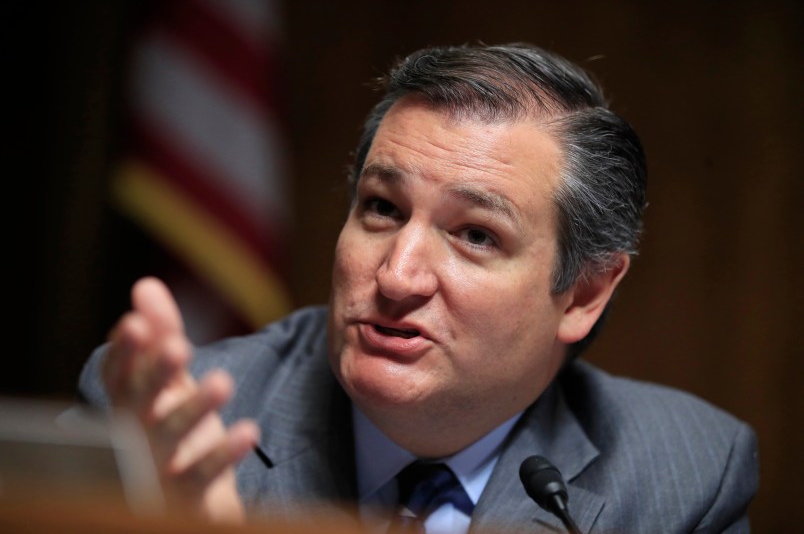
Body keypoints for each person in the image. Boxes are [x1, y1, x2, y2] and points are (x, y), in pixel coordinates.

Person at [76, 42, 758, 533]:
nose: (397, 277)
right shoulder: (159, 426)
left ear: (582, 294)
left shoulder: (686, 475)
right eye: (382, 208)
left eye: (476, 235)